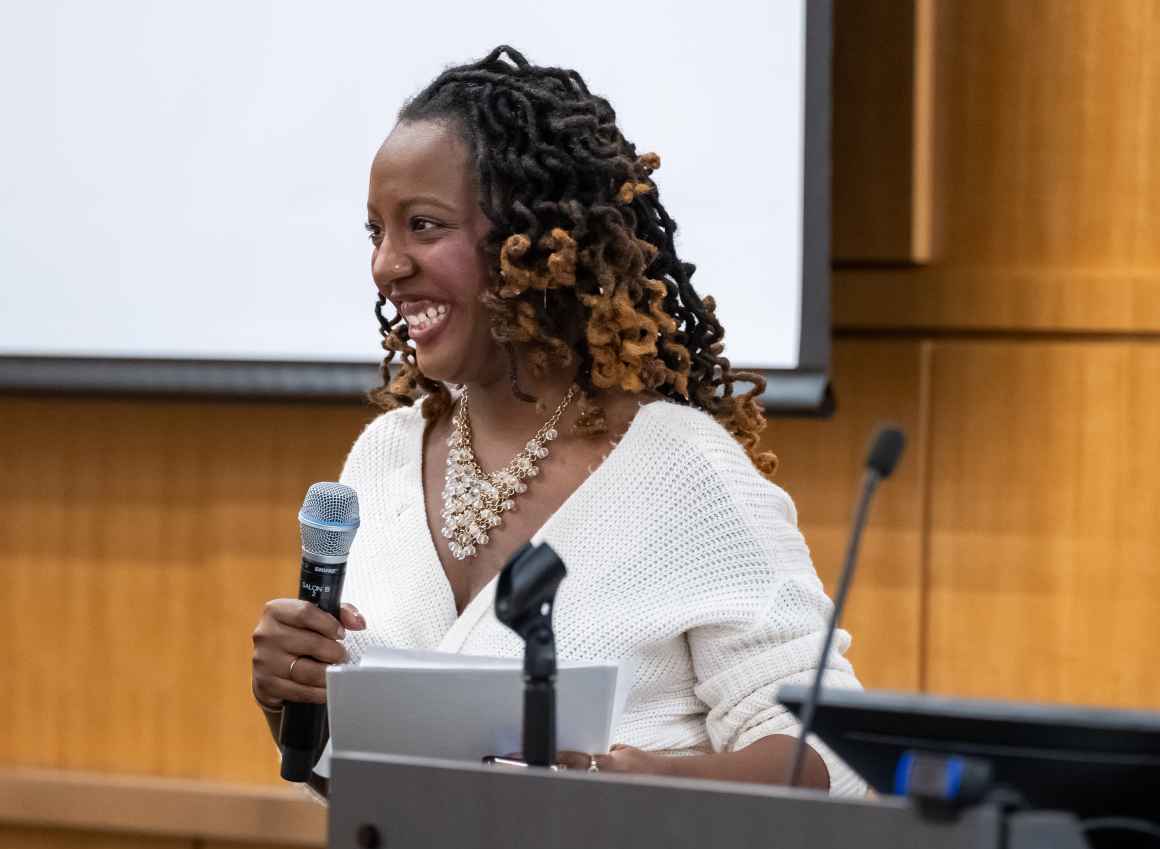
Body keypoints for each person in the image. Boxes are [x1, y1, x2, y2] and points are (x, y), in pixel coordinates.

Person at [251, 46, 863, 796]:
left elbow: (830, 752)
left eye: (422, 225)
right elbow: (360, 785)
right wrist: (297, 698)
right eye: (376, 231)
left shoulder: (683, 469)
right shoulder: (382, 458)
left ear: (535, 240)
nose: (386, 264)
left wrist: (648, 784)